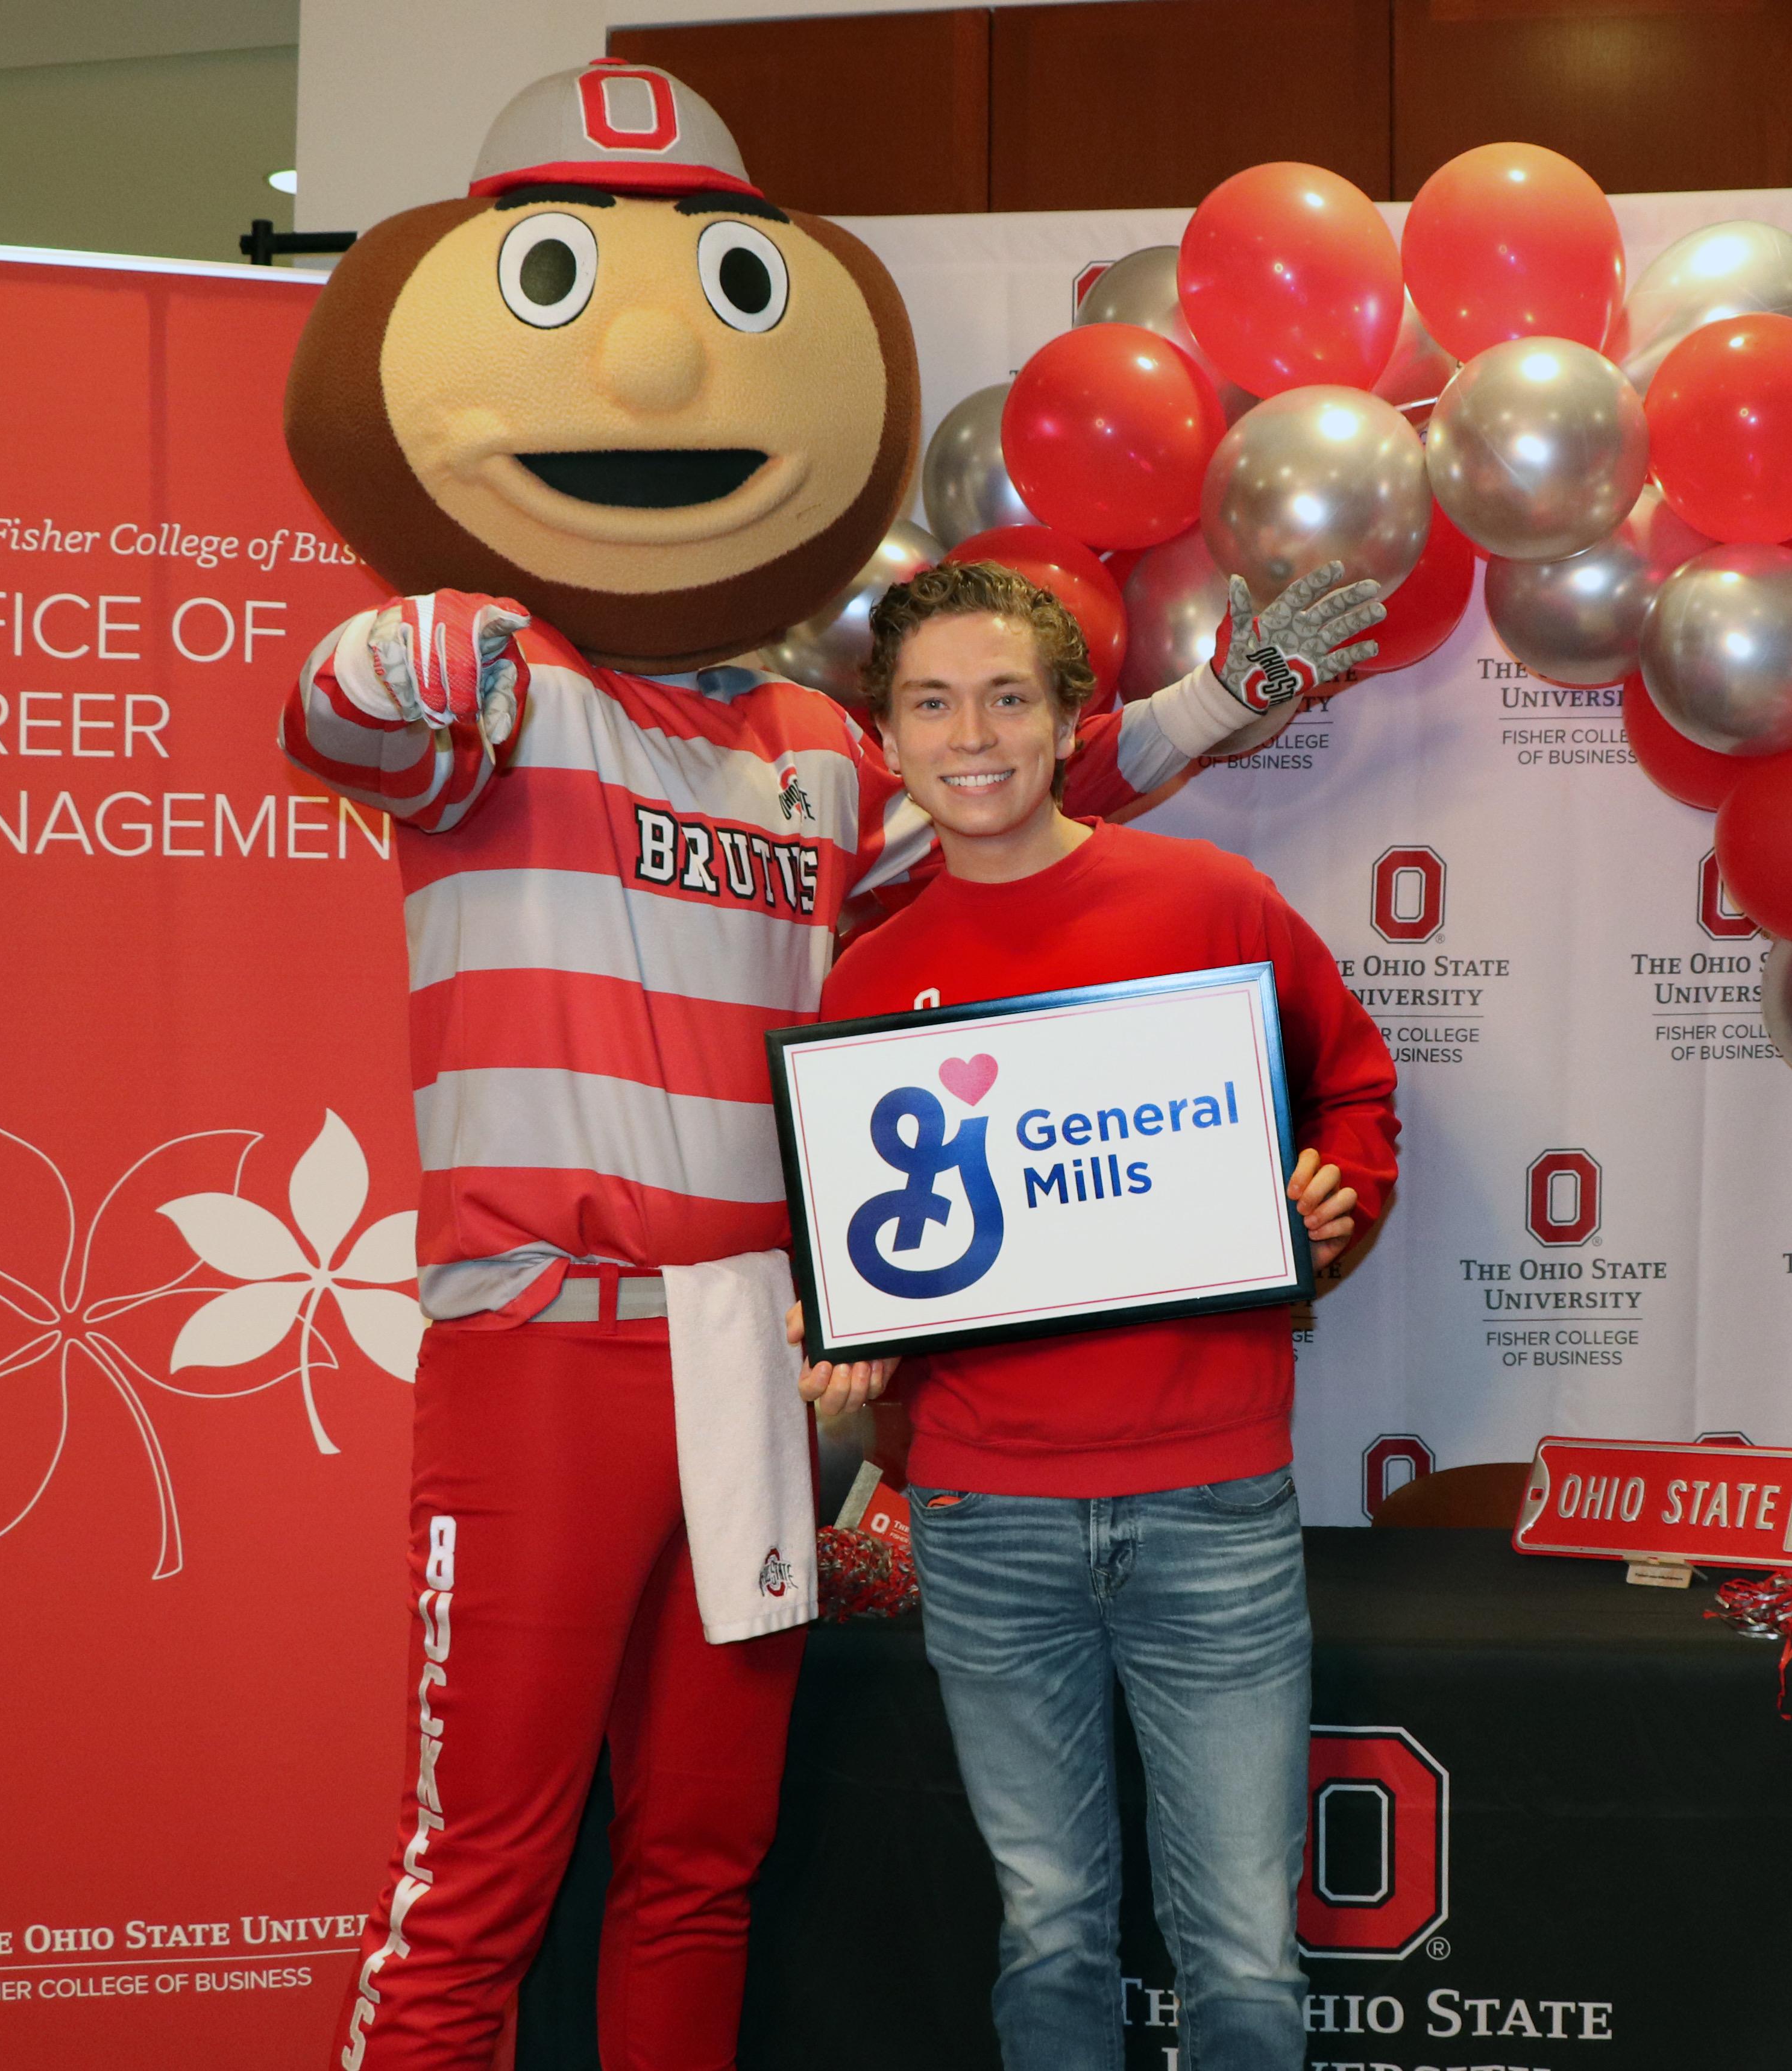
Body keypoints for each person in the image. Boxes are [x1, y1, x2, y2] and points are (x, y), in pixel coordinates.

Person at [275, 60, 1384, 2071]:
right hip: (541, 1335)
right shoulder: (486, 676)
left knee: (703, 1848)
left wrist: (1229, 693)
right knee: (483, 1864)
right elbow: (345, 700)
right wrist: (446, 574)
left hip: (754, 1358)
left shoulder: (804, 738)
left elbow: (1004, 794)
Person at [803, 559, 1400, 2071]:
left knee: (1245, 1951)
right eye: (933, 702)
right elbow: (862, 1250)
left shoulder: (1209, 900)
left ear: (1072, 718)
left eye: (1010, 695)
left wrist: (1334, 1201)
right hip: (986, 1514)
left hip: (1213, 1499)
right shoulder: (870, 982)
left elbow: (1353, 1084)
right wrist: (844, 1326)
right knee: (1051, 1924)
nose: (975, 732)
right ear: (888, 739)